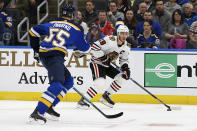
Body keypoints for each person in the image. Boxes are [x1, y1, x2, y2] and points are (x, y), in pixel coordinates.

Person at [28, 4, 91, 124]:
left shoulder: (52, 22)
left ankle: (49, 106)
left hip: (47, 54)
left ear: (61, 13)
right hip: (55, 56)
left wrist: (36, 50)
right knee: (57, 85)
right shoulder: (77, 28)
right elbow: (84, 49)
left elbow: (33, 31)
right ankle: (37, 112)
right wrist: (88, 48)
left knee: (68, 81)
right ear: (73, 15)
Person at [77, 25, 131, 109]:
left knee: (123, 77)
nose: (124, 36)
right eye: (122, 33)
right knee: (100, 83)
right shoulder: (110, 40)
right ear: (118, 33)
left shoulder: (126, 47)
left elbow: (123, 60)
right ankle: (83, 101)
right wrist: (103, 57)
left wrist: (126, 68)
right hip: (97, 63)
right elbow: (94, 46)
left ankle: (106, 96)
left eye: (126, 34)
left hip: (108, 64)